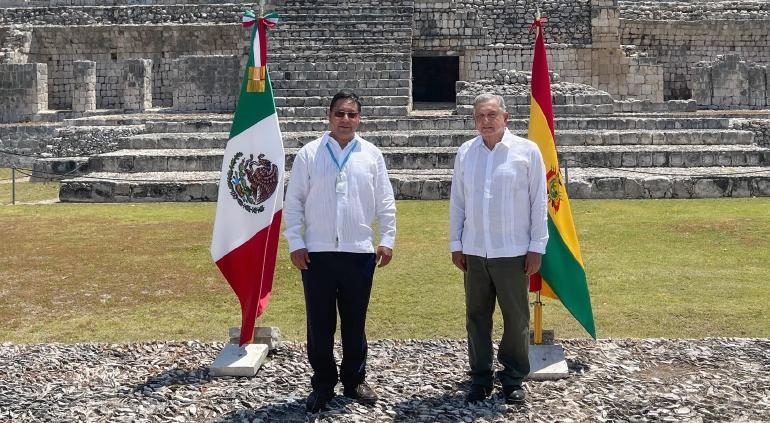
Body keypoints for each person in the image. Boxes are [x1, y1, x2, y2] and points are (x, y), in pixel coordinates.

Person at [283, 91, 397, 413]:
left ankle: (354, 379)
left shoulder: (372, 155)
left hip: (359, 252)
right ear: (329, 116)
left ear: (359, 118)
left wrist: (387, 238)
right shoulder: (309, 153)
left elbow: (385, 201)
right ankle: (322, 383)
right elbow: (294, 203)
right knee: (319, 323)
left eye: (352, 114)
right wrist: (296, 242)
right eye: (340, 113)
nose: (345, 120)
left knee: (354, 322)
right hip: (317, 253)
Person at [449, 93, 548, 404]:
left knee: (516, 318)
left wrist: (536, 247)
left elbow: (538, 202)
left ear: (505, 117)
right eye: (480, 116)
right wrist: (456, 243)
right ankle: (479, 377)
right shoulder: (466, 152)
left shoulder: (527, 152)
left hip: (513, 250)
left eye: (492, 115)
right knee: (476, 316)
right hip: (476, 250)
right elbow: (458, 202)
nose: (486, 121)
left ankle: (513, 377)